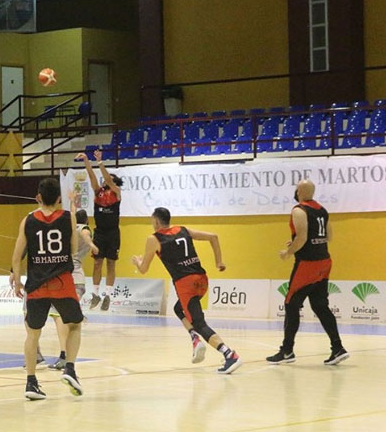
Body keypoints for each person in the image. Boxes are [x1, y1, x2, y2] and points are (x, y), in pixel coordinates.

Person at [132, 207, 242, 375]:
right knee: (178, 308)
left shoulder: (154, 239)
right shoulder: (183, 230)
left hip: (185, 284)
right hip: (202, 280)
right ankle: (195, 338)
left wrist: (138, 261)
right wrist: (219, 262)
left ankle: (229, 354)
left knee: (199, 323)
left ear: (156, 221)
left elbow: (144, 269)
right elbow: (214, 237)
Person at [11, 178, 84, 400]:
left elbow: (16, 256)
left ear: (39, 197)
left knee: (33, 333)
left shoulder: (28, 220)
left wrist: (16, 280)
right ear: (59, 198)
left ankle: (31, 383)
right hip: (62, 281)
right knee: (75, 325)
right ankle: (70, 368)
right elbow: (72, 249)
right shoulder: (68, 217)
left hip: (36, 283)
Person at [267, 180, 348, 365]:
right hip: (324, 261)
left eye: (296, 188)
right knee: (320, 305)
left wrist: (288, 252)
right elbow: (328, 237)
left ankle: (287, 351)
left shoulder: (298, 210)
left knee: (291, 304)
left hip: (308, 264)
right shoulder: (322, 210)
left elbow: (302, 237)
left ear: (300, 191)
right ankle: (338, 347)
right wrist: (295, 242)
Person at [48, 208, 98, 370]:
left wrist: (91, 244)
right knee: (63, 317)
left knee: (61, 317)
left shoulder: (80, 229)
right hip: (69, 278)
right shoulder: (72, 228)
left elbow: (84, 233)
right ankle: (65, 355)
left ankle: (65, 356)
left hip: (73, 279)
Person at [75, 150, 122, 311]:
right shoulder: (98, 192)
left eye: (109, 181)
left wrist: (100, 162)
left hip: (113, 232)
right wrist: (87, 160)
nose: (104, 182)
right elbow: (91, 176)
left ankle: (107, 295)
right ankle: (95, 294)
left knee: (111, 264)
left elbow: (108, 179)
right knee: (97, 263)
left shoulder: (116, 193)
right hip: (100, 232)